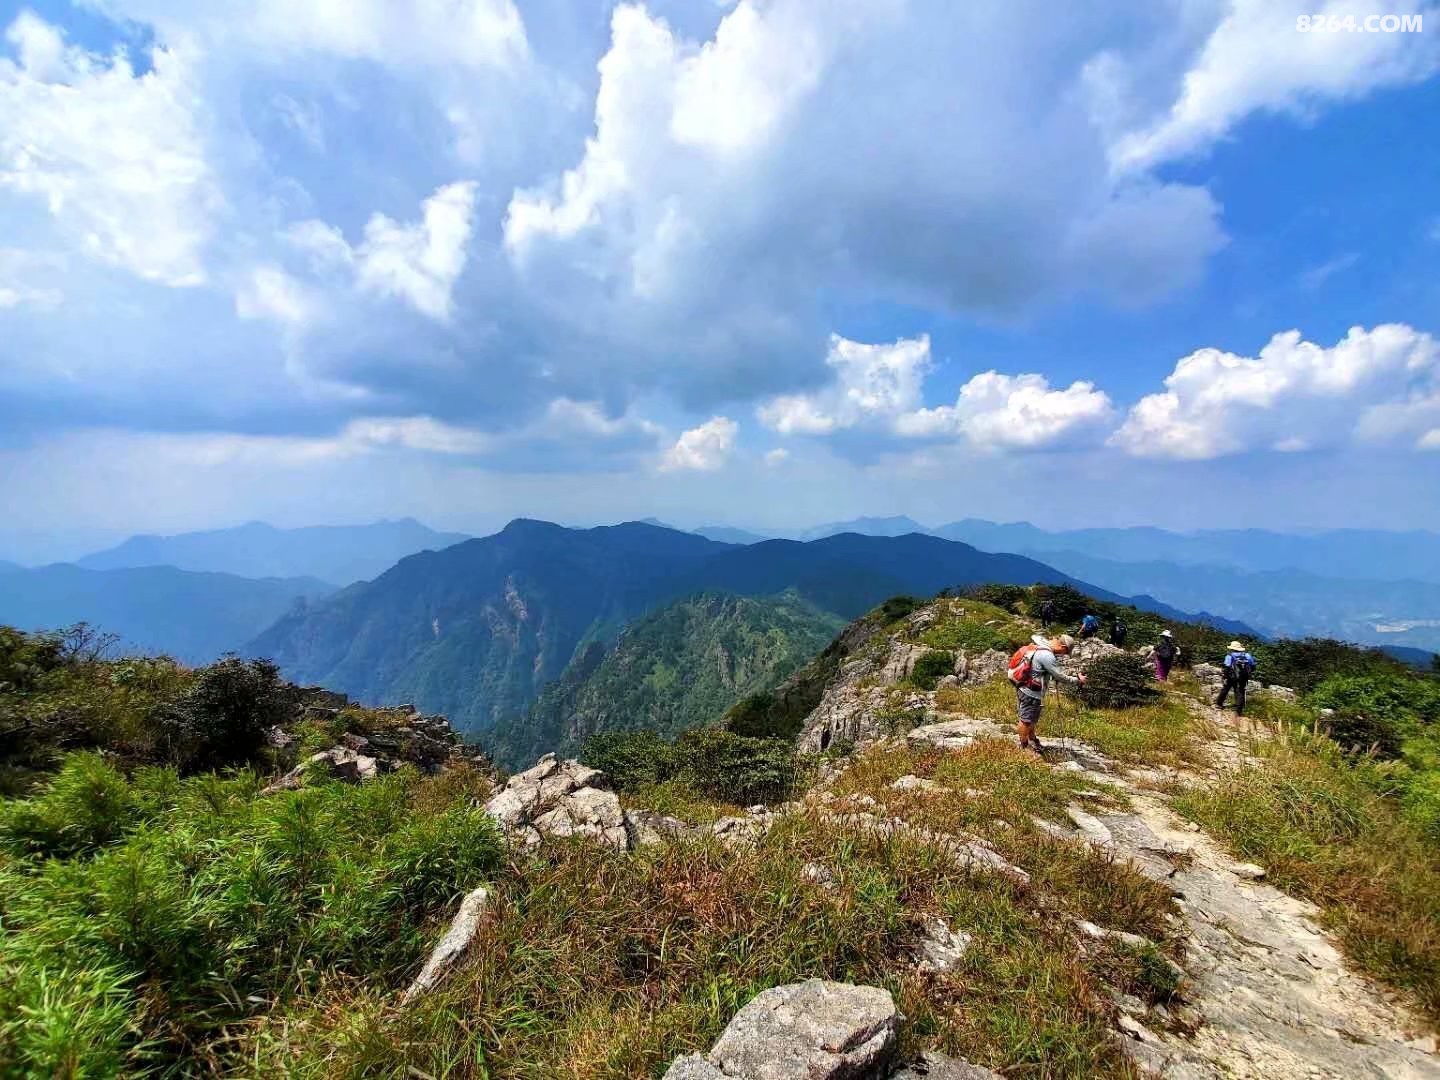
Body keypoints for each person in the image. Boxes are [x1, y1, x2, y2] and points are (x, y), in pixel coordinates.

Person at [1008, 633, 1086, 754]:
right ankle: (1023, 747)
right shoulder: (1047, 655)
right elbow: (1060, 676)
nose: (1063, 655)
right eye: (1065, 652)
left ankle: (1032, 738)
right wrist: (1078, 681)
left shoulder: (1042, 647)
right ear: (1063, 647)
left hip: (1026, 688)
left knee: (1032, 718)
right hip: (1031, 692)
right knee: (1026, 720)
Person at [1216, 641, 1257, 716]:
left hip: (1231, 677)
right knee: (1240, 692)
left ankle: (1219, 704)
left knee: (1225, 689)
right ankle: (1238, 711)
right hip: (1243, 677)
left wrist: (1225, 676)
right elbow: (1253, 665)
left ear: (1232, 648)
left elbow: (1227, 667)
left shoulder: (1230, 656)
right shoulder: (1247, 655)